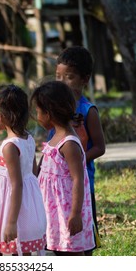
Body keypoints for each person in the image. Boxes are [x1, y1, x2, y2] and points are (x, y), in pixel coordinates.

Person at [0, 84, 47, 256]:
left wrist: (11, 222)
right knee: (23, 248)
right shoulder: (28, 138)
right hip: (26, 203)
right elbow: (31, 173)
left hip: (12, 206)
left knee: (14, 249)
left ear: (0, 116)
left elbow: (16, 184)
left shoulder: (10, 146)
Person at [52, 46, 106, 255]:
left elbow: (100, 147)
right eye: (58, 76)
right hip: (58, 186)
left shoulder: (87, 111)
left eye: (69, 77)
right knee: (63, 234)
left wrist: (77, 160)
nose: (62, 82)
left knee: (82, 234)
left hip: (80, 184)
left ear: (85, 79)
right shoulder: (55, 110)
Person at [31, 80, 95, 256]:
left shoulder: (69, 143)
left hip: (67, 211)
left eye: (38, 111)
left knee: (72, 251)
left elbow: (78, 179)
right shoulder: (54, 138)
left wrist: (75, 214)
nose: (37, 116)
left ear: (49, 113)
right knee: (61, 250)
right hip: (55, 210)